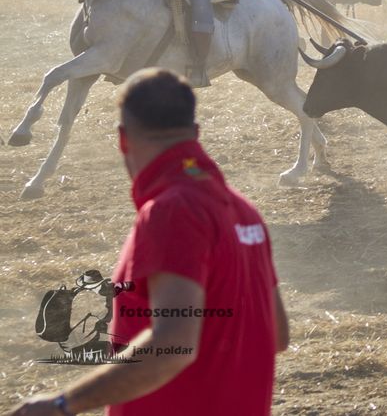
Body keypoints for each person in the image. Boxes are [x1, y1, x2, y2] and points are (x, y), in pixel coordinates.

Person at [6, 68, 288, 416]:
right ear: (195, 133)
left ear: (123, 139)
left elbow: (174, 344)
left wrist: (63, 404)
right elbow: (277, 334)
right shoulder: (244, 211)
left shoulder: (172, 212)